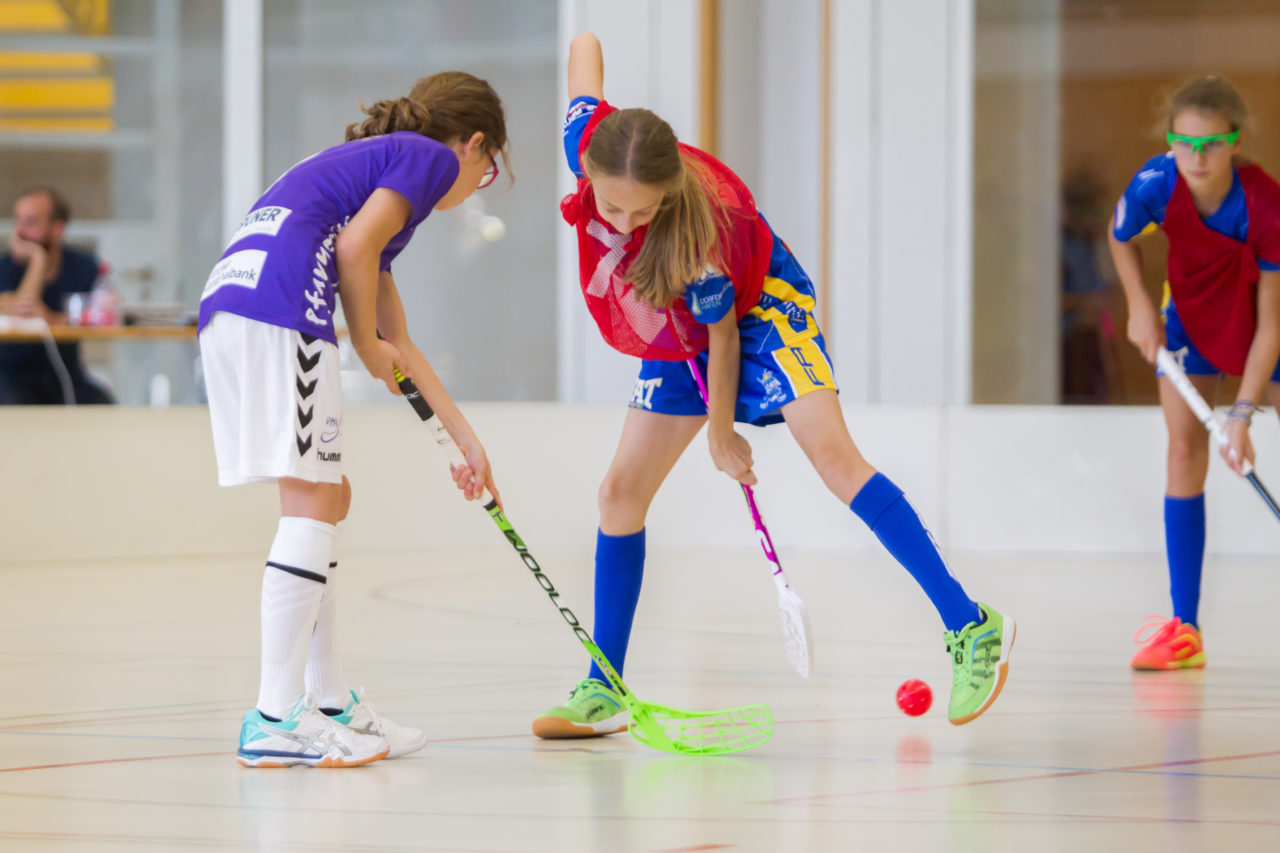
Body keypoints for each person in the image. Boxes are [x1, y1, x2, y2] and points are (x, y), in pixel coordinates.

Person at [533, 32, 1016, 737]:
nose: (625, 224)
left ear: (671, 192)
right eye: (612, 210)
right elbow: (583, 52)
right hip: (680, 320)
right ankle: (604, 681)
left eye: (644, 212)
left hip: (760, 309)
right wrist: (587, 44)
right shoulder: (590, 140)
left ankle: (971, 625)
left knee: (833, 457)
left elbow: (724, 336)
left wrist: (722, 435)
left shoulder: (707, 232)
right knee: (619, 493)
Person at [199, 71, 508, 767]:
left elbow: (399, 343)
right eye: (487, 172)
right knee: (313, 501)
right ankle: (275, 718)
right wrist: (362, 341)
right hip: (280, 307)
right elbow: (352, 258)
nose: (474, 186)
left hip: (235, 304)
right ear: (475, 145)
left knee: (330, 496)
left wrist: (467, 441)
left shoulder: (378, 179)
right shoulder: (427, 158)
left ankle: (331, 701)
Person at [1109, 75, 1280, 671]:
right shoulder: (1157, 182)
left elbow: (1269, 327)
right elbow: (1121, 235)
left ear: (1236, 141)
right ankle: (1186, 628)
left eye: (1209, 144)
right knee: (1183, 451)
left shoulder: (1265, 205)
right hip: (1189, 320)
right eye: (1182, 143)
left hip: (1261, 320)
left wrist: (1241, 414)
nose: (1195, 157)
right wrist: (1137, 307)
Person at [0, 187, 114, 404]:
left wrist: (52, 319)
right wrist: (38, 260)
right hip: (12, 377)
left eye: (31, 222)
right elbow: (22, 315)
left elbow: (102, 315)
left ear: (57, 228)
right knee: (17, 407)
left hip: (66, 374)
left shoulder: (83, 266)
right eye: (18, 221)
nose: (20, 232)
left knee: (104, 405)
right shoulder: (5, 267)